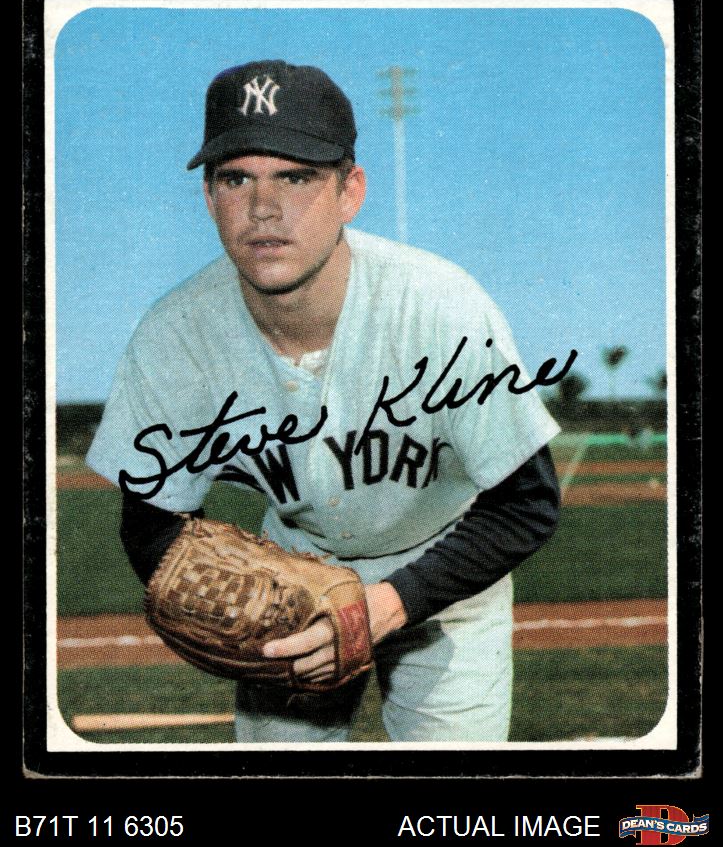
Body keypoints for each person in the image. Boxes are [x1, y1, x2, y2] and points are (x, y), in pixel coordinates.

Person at [86, 59, 565, 743]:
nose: (263, 207)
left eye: (296, 177)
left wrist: (388, 605)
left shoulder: (440, 308)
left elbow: (527, 502)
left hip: (446, 572)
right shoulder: (175, 336)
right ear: (209, 196)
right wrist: (242, 613)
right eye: (236, 179)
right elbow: (152, 519)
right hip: (294, 582)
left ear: (350, 192)